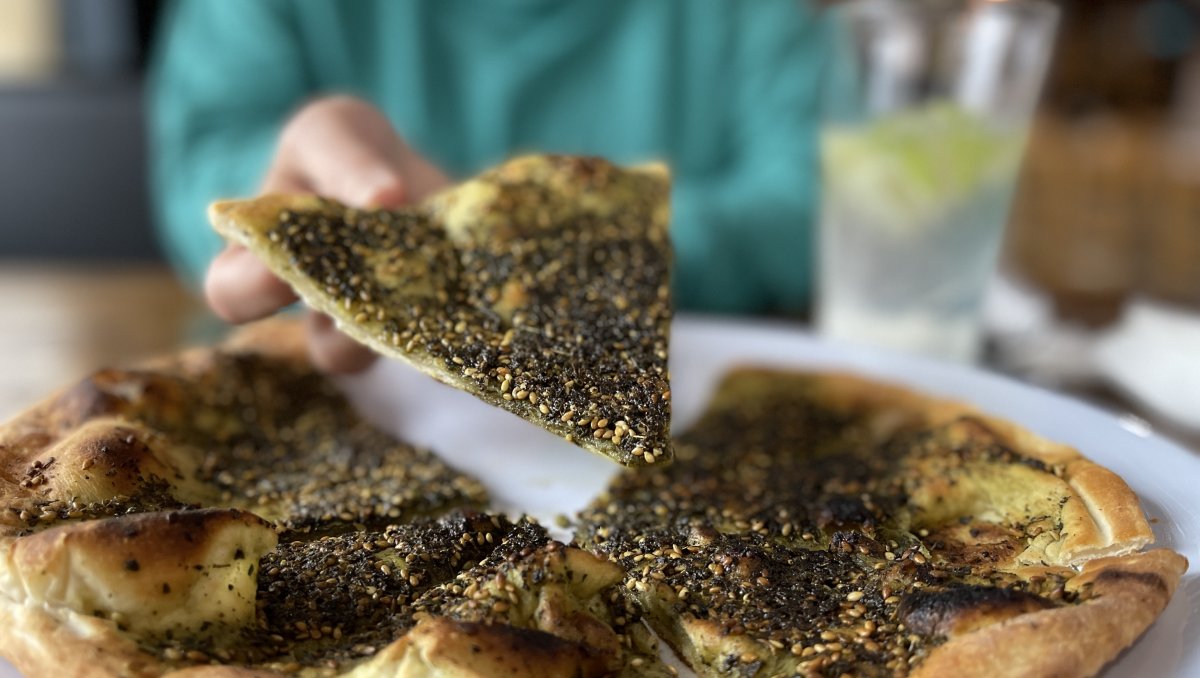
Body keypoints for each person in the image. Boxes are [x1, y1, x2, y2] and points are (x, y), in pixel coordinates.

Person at [150, 0, 831, 372]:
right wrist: (309, 213)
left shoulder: (751, 17)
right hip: (345, 395)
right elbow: (199, 163)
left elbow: (820, 197)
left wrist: (535, 251)